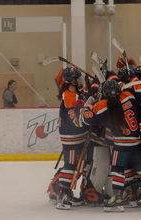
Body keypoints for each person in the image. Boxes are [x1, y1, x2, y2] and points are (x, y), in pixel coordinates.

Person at [77, 80, 141, 212]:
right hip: (136, 140)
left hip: (121, 143)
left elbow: (87, 119)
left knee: (117, 169)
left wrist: (86, 107)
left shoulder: (103, 104)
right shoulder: (129, 96)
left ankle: (117, 199)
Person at [54, 67, 88, 210]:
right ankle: (63, 196)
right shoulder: (69, 96)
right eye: (77, 79)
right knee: (70, 165)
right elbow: (76, 120)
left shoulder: (76, 93)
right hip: (71, 137)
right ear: (70, 81)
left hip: (77, 135)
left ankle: (67, 192)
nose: (79, 81)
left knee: (75, 165)